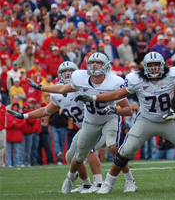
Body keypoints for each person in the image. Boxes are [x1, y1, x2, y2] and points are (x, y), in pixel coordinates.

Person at [74, 52, 175, 193]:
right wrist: (93, 98)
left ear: (163, 66)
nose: (153, 69)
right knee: (126, 149)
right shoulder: (136, 79)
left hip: (169, 120)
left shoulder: (173, 75)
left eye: (156, 65)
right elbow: (116, 95)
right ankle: (108, 184)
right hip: (146, 120)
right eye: (150, 66)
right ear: (144, 67)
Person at [26, 53, 136, 194]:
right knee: (77, 156)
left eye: (98, 63)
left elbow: (127, 110)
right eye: (92, 63)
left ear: (106, 65)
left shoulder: (114, 82)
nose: (94, 65)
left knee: (113, 147)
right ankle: (74, 180)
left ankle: (128, 180)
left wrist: (115, 109)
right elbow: (61, 89)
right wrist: (41, 88)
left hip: (109, 119)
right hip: (90, 122)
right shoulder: (80, 80)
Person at [8, 62, 103, 193]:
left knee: (88, 150)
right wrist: (24, 116)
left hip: (96, 124)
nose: (68, 74)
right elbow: (45, 111)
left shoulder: (83, 86)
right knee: (70, 157)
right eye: (65, 71)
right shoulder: (57, 93)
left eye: (71, 71)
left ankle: (99, 183)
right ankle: (86, 183)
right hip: (84, 127)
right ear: (59, 75)